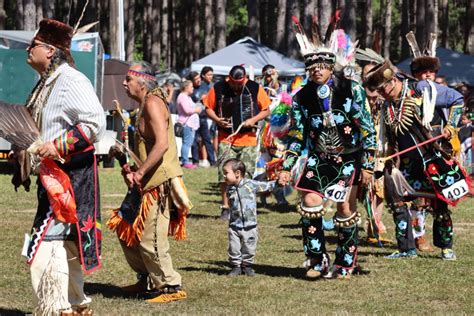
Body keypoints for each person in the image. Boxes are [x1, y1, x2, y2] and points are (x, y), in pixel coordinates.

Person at [22, 19, 106, 314]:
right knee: (64, 245)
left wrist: (56, 146)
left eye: (32, 45)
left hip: (70, 176)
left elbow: (95, 122)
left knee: (46, 245)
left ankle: (59, 308)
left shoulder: (71, 80)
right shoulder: (48, 82)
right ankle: (74, 305)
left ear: (49, 49)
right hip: (52, 175)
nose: (27, 50)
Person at [277, 45, 377, 279]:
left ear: (332, 68)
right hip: (319, 158)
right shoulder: (301, 97)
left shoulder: (351, 90)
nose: (317, 71)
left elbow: (367, 129)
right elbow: (298, 135)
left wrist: (369, 165)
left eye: (322, 67)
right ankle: (317, 259)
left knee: (344, 208)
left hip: (349, 158)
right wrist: (286, 166)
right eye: (312, 68)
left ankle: (345, 262)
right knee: (310, 203)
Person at [363, 58, 467, 260]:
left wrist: (451, 126)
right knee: (398, 203)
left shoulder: (421, 89)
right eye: (380, 92)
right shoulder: (388, 105)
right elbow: (389, 134)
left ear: (393, 80)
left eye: (384, 89)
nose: (383, 94)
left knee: (439, 204)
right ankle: (407, 249)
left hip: (432, 158)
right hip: (406, 163)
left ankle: (447, 248)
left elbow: (457, 99)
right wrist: (388, 155)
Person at [108, 61, 190, 303]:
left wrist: (140, 172)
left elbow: (162, 144)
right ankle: (146, 276)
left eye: (128, 79)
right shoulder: (143, 104)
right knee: (125, 229)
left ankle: (170, 286)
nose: (124, 83)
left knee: (150, 237)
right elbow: (148, 146)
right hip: (144, 182)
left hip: (158, 183)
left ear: (141, 82)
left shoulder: (153, 103)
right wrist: (130, 165)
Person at [204, 65, 271, 220]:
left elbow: (266, 109)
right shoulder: (219, 88)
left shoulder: (254, 88)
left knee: (246, 175)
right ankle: (226, 207)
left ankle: (242, 206)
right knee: (224, 174)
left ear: (245, 79)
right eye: (234, 83)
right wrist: (217, 120)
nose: (236, 86)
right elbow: (208, 107)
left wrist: (253, 120)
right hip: (226, 139)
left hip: (248, 139)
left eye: (239, 83)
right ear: (229, 78)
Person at [222, 158, 275, 277]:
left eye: (226, 173)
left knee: (249, 247)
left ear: (237, 173)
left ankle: (247, 266)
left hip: (250, 225)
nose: (224, 176)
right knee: (233, 247)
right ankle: (236, 266)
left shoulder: (250, 184)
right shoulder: (229, 188)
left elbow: (265, 186)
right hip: (234, 225)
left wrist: (277, 183)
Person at [189, 67, 217, 167]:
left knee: (207, 139)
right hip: (194, 117)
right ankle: (195, 161)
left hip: (204, 117)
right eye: (196, 79)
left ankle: (213, 161)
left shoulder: (208, 86)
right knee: (195, 140)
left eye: (198, 78)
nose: (198, 81)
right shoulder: (191, 88)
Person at [176, 80, 202, 169]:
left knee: (187, 143)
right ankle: (185, 162)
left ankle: (185, 161)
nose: (193, 88)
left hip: (190, 124)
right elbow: (187, 110)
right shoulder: (182, 97)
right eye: (191, 87)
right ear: (186, 87)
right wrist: (196, 110)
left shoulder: (187, 97)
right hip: (186, 124)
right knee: (186, 143)